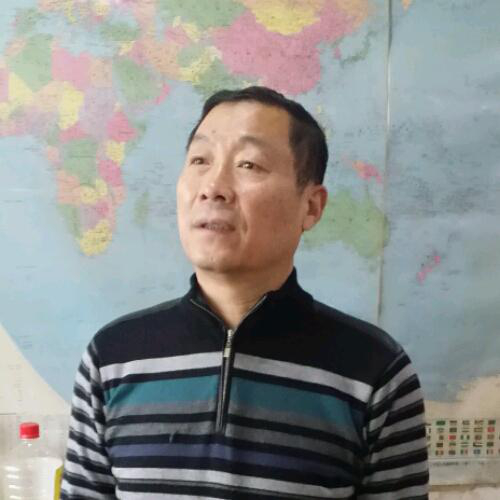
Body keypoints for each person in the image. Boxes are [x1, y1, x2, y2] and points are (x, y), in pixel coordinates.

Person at [60, 86, 429, 499]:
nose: (212, 187)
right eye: (200, 160)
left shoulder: (376, 372)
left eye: (249, 164)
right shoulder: (112, 359)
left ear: (311, 206)